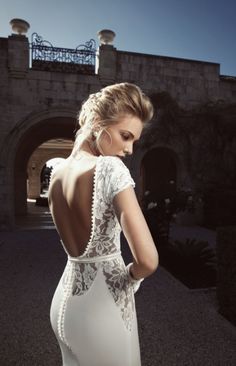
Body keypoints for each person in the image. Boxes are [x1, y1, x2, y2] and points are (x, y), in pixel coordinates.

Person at [48, 82, 159, 366]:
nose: (130, 149)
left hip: (63, 305)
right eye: (125, 136)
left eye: (134, 140)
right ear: (98, 124)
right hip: (102, 311)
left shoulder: (57, 174)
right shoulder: (110, 168)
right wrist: (130, 278)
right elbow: (148, 260)